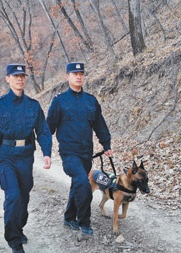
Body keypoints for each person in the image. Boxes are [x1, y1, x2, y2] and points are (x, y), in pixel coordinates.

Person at [0, 64, 52, 253]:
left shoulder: (33, 105)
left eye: (22, 76)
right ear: (7, 79)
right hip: (6, 156)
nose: (19, 79)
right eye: (15, 76)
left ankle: (18, 228)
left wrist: (46, 153)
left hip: (26, 156)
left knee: (24, 196)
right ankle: (14, 241)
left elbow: (43, 131)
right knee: (13, 196)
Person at [46, 62, 113, 240]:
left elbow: (100, 124)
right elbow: (48, 128)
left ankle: (69, 218)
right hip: (69, 153)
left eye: (81, 73)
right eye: (74, 73)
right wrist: (45, 151)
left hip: (86, 154)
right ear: (67, 76)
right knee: (83, 183)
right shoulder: (59, 101)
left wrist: (106, 145)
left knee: (78, 183)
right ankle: (84, 223)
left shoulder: (91, 101)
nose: (78, 76)